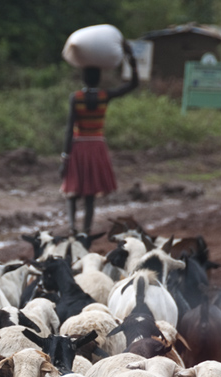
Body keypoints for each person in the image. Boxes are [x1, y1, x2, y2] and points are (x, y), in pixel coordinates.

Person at [60, 42, 138, 235]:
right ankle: (86, 230)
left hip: (78, 147)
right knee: (89, 194)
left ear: (83, 78)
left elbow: (70, 129)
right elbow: (133, 84)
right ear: (99, 78)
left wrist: (65, 156)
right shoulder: (105, 96)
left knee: (72, 190)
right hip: (96, 146)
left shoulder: (75, 98)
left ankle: (72, 228)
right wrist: (131, 59)